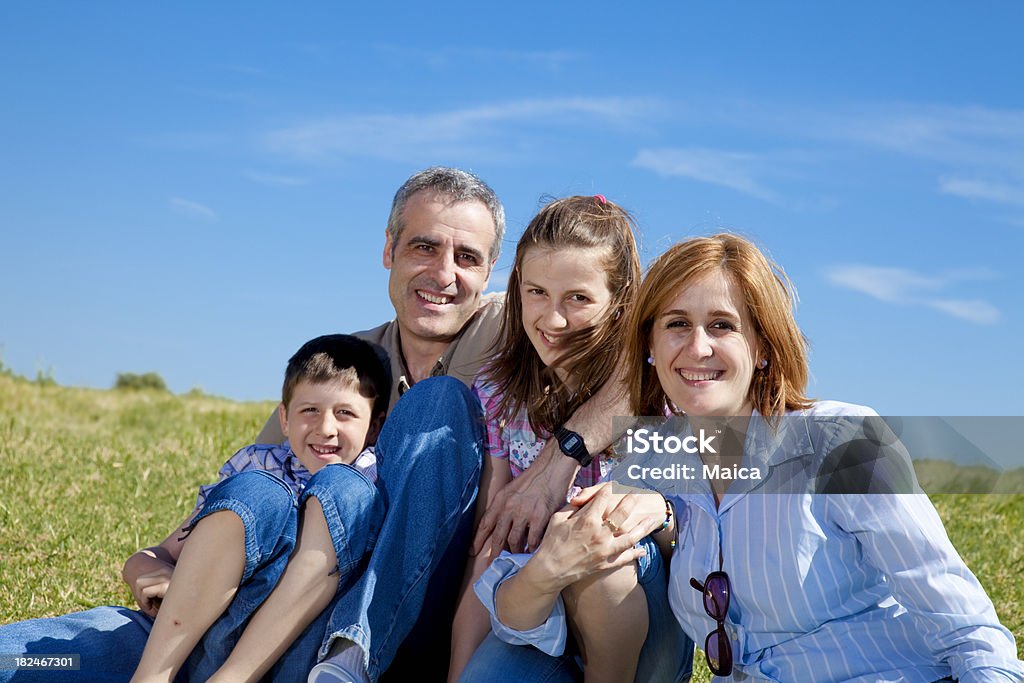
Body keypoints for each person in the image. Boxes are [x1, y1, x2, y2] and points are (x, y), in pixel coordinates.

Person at [481, 233, 1024, 681]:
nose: (696, 349)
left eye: (723, 325)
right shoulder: (654, 458)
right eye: (675, 325)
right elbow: (512, 615)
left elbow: (963, 623)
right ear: (647, 345)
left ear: (763, 347)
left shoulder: (839, 440)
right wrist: (549, 570)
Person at [0, 334, 392, 681]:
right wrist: (144, 568)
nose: (325, 427)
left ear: (374, 426)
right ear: (285, 419)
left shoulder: (370, 481)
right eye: (310, 410)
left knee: (336, 490)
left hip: (301, 657)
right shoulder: (261, 468)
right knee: (32, 658)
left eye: (345, 413)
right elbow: (161, 552)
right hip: (194, 645)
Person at [451, 196, 692, 683]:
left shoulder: (660, 391)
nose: (553, 320)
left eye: (578, 298)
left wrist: (656, 513)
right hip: (538, 617)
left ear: (621, 301)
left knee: (597, 530)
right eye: (536, 292)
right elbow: (490, 545)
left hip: (641, 620)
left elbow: (700, 528)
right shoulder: (501, 394)